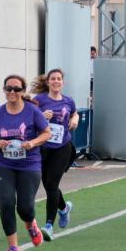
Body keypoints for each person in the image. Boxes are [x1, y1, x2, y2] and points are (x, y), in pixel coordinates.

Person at [0, 74, 52, 251]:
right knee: (7, 203)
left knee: (25, 208)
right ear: (4, 90)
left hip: (29, 165)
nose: (12, 92)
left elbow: (46, 133)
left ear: (23, 91)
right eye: (9, 88)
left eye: (16, 89)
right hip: (4, 164)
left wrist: (32, 143)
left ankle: (31, 225)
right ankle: (13, 247)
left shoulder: (32, 112)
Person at [31, 68, 79, 241]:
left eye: (59, 79)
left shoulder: (68, 101)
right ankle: (64, 209)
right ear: (48, 82)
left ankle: (49, 225)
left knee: (51, 185)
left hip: (62, 147)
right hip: (42, 147)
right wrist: (42, 116)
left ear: (63, 82)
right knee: (47, 184)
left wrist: (75, 120)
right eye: (53, 79)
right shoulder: (39, 100)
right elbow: (29, 118)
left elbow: (74, 113)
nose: (56, 81)